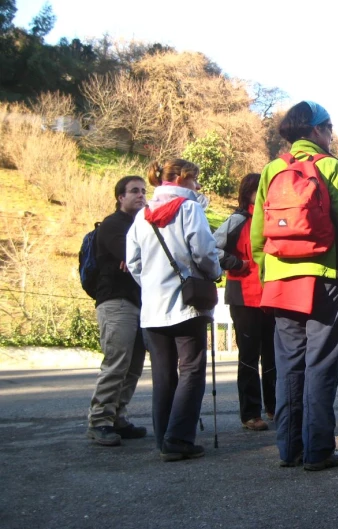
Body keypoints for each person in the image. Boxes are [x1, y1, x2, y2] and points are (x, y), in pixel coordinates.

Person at [251, 100, 338, 471]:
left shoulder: (272, 169)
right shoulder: (329, 166)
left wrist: (267, 274)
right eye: (330, 127)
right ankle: (319, 450)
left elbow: (257, 233)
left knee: (289, 365)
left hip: (281, 281)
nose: (333, 135)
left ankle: (290, 449)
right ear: (317, 131)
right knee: (321, 365)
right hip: (325, 280)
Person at [127, 158, 222, 461]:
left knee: (163, 375)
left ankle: (163, 438)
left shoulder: (143, 215)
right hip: (186, 303)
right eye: (195, 181)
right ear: (184, 179)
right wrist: (213, 272)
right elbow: (205, 252)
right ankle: (179, 439)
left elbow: (133, 262)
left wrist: (151, 283)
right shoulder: (190, 209)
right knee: (192, 369)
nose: (198, 187)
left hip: (152, 307)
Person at [86, 176, 148, 446]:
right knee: (116, 362)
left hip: (139, 302)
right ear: (120, 197)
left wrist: (136, 258)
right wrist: (136, 257)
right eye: (134, 191)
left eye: (144, 191)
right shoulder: (112, 225)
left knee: (133, 365)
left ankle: (117, 417)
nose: (141, 195)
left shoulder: (141, 226)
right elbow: (134, 257)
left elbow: (139, 260)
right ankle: (99, 421)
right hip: (115, 301)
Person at [214, 173, 276, 431]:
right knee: (249, 357)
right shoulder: (237, 221)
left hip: (272, 296)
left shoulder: (273, 219)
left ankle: (275, 407)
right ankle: (250, 414)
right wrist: (236, 263)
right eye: (260, 188)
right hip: (243, 298)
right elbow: (211, 248)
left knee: (274, 357)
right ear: (249, 191)